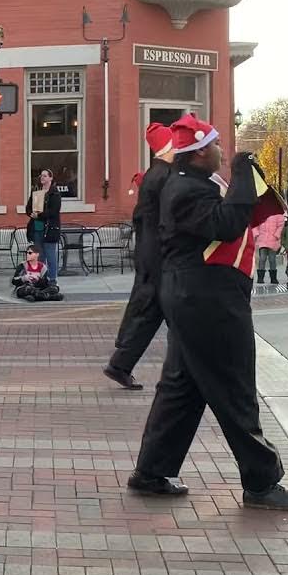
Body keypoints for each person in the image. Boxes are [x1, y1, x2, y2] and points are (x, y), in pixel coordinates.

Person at [130, 114, 288, 510]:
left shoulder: (189, 184)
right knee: (234, 387)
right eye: (217, 146)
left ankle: (152, 471)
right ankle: (262, 482)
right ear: (199, 153)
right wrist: (244, 175)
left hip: (193, 299)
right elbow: (227, 225)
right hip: (207, 302)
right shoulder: (189, 191)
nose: (223, 152)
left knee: (182, 388)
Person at [104, 123, 175, 390]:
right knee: (172, 315)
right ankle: (182, 372)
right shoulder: (165, 176)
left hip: (149, 253)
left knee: (149, 312)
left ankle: (120, 364)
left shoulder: (154, 176)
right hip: (160, 256)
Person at [25, 169, 62, 282]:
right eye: (41, 176)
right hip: (37, 228)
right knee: (39, 256)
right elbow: (29, 206)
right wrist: (30, 213)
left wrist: (39, 215)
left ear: (50, 178)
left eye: (45, 176)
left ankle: (52, 279)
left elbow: (54, 211)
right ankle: (41, 278)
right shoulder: (36, 191)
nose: (42, 178)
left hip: (49, 229)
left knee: (50, 255)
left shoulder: (55, 193)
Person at [254, 211, 284, 285]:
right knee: (262, 258)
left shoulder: (278, 213)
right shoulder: (260, 212)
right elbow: (255, 224)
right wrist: (256, 234)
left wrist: (277, 235)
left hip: (273, 240)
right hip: (262, 239)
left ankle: (273, 278)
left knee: (272, 259)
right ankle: (260, 278)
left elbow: (281, 225)